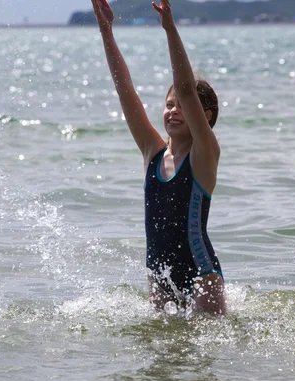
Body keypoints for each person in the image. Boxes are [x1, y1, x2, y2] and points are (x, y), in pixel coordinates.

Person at [91, 0, 226, 315]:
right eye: (168, 105)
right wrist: (106, 31)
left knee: (203, 357)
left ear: (204, 116)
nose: (173, 111)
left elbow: (187, 89)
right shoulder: (152, 151)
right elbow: (125, 91)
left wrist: (169, 29)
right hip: (159, 277)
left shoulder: (205, 154)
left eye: (180, 106)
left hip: (201, 277)